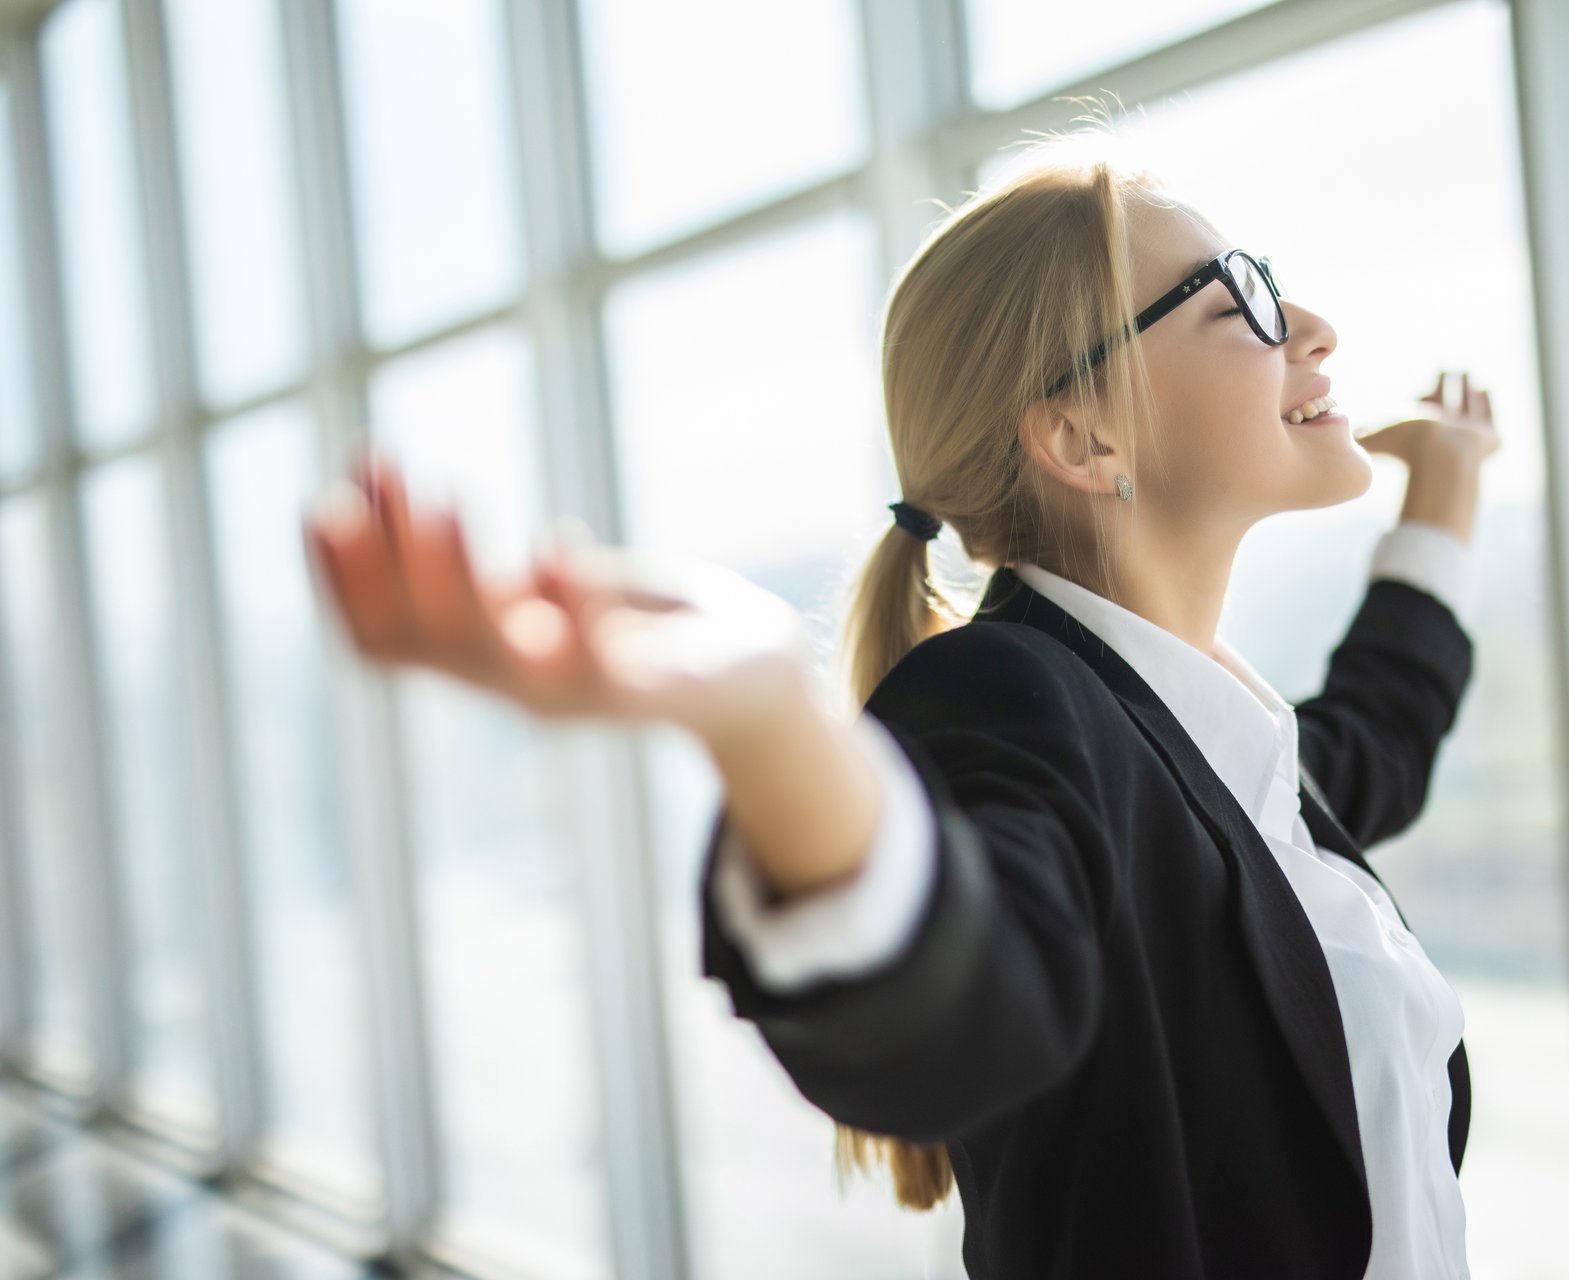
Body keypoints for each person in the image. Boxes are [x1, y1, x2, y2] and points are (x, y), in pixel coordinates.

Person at [302, 129, 1500, 1279]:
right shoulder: (1006, 698)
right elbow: (964, 985)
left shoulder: (1211, 743)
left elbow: (1377, 739)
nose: (1312, 328)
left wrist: (1440, 496)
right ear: (1083, 435)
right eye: (1232, 297)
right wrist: (771, 721)